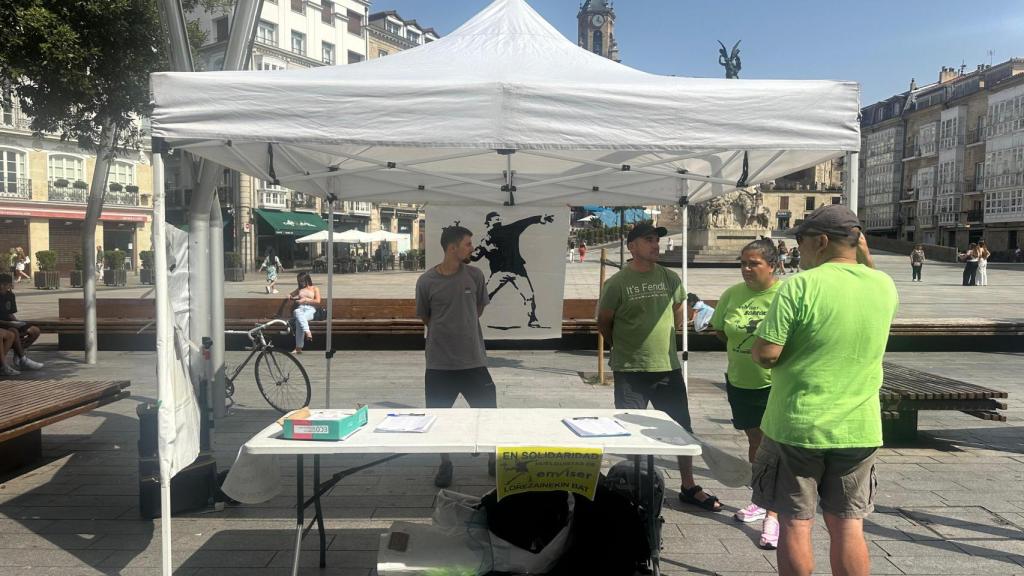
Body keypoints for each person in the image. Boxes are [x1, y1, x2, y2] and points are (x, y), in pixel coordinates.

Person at [750, 205, 897, 576]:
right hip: (858, 429)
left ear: (821, 241)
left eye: (801, 241)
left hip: (798, 425)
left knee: (795, 522)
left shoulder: (799, 286)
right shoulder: (884, 285)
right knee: (848, 525)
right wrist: (864, 254)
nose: (798, 250)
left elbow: (767, 355)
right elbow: (870, 275)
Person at [598, 223, 722, 512]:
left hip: (667, 367)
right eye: (648, 240)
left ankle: (689, 485)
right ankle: (637, 484)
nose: (655, 245)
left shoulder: (670, 277)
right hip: (630, 370)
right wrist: (621, 345)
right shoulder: (617, 283)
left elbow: (680, 314)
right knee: (631, 432)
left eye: (656, 240)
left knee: (682, 428)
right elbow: (604, 322)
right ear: (632, 247)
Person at [709, 239, 782, 549]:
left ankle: (774, 514)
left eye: (754, 263)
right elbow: (720, 329)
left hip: (775, 383)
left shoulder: (784, 295)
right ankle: (761, 497)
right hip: (741, 382)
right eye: (743, 263)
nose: (746, 269)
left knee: (774, 447)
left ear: (773, 266)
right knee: (756, 442)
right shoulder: (732, 294)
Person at [415, 224, 496, 487]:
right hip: (439, 364)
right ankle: (445, 463)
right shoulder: (426, 281)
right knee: (438, 418)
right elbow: (426, 316)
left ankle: (493, 458)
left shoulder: (475, 275)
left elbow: (479, 309)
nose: (472, 248)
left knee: (489, 414)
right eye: (467, 244)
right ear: (452, 248)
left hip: (473, 360)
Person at [469, 211, 555, 328]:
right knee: (484, 296)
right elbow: (474, 258)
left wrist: (540, 218)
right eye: (495, 218)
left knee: (529, 295)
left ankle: (532, 319)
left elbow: (524, 222)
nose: (498, 219)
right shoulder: (486, 239)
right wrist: (482, 247)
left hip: (517, 270)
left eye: (499, 217)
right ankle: (469, 317)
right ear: (488, 222)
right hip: (499, 272)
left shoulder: (510, 229)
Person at [0, 273, 44, 374]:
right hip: (3, 324)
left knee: (34, 330)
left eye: (6, 285)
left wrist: (18, 322)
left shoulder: (10, 295)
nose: (4, 287)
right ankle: (22, 359)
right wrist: (11, 324)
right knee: (13, 331)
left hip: (9, 322)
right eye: (2, 284)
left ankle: (18, 353)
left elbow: (10, 313)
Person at [288, 272, 320, 354]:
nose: (301, 283)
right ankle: (307, 332)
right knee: (297, 312)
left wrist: (305, 300)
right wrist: (290, 296)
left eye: (302, 281)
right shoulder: (299, 289)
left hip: (310, 309)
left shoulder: (314, 288)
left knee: (299, 321)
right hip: (300, 309)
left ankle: (298, 348)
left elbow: (318, 301)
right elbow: (291, 294)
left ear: (307, 279)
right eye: (299, 281)